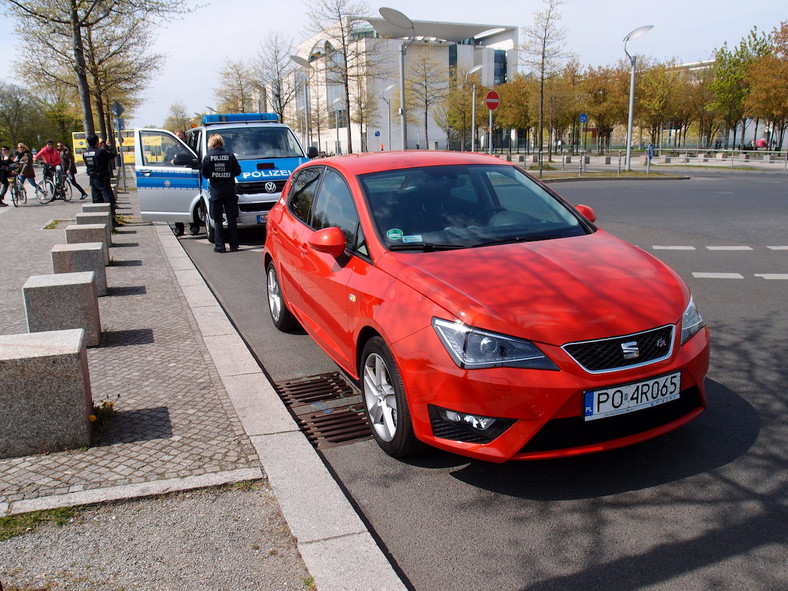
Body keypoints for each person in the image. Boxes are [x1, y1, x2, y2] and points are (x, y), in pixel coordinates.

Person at [201, 133, 241, 253]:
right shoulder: (230, 155)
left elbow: (205, 174)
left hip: (216, 190)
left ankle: (220, 246)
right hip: (229, 189)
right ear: (221, 142)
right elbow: (238, 171)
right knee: (232, 218)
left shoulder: (208, 157)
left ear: (211, 143)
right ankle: (234, 245)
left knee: (218, 219)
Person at [82, 134, 119, 226]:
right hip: (102, 178)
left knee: (97, 199)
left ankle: (99, 220)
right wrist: (110, 146)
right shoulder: (100, 152)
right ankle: (112, 221)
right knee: (109, 198)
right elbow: (113, 154)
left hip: (92, 179)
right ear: (97, 142)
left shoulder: (85, 153)